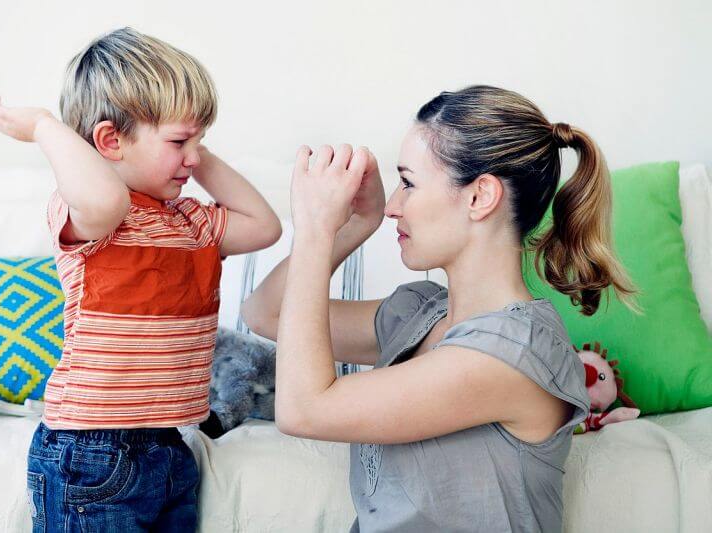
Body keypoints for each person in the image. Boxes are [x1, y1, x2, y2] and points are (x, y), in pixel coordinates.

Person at [242, 85, 636, 532]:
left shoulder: (514, 355)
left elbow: (303, 411)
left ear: (479, 197)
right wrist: (354, 225)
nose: (393, 206)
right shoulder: (420, 312)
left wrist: (315, 229)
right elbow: (265, 312)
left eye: (408, 183)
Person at [0, 27, 281, 532]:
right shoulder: (93, 217)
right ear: (109, 141)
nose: (193, 157)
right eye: (179, 142)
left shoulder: (192, 223)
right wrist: (44, 127)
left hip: (168, 444)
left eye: (200, 141)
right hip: (90, 451)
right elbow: (106, 198)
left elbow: (265, 226)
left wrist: (194, 148)